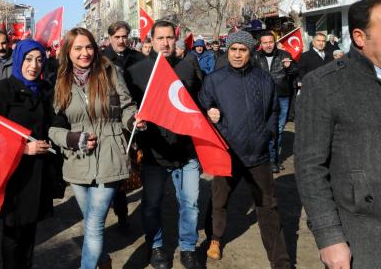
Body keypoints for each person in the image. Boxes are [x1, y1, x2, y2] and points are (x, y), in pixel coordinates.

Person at [295, 0, 381, 269]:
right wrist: (329, 237)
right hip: (361, 234)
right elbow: (310, 166)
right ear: (359, 36)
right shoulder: (323, 84)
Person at [198, 31, 290, 269]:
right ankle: (215, 238)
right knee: (219, 199)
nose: (237, 54)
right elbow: (202, 105)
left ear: (251, 52)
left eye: (243, 50)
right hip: (227, 152)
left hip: (258, 154)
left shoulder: (263, 78)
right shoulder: (214, 80)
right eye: (233, 49)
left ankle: (280, 260)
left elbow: (273, 111)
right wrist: (209, 114)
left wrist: (268, 135)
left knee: (268, 206)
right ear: (227, 51)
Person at [48, 27, 138, 269]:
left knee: (95, 223)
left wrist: (134, 120)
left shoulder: (111, 73)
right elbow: (54, 126)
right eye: (77, 48)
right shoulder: (60, 81)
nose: (84, 53)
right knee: (90, 220)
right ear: (68, 52)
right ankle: (104, 260)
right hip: (77, 159)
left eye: (88, 46)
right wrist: (72, 138)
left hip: (110, 154)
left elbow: (128, 106)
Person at [125, 20, 203, 269]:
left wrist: (210, 111)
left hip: (186, 151)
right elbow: (128, 108)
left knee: (190, 204)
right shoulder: (137, 72)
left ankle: (188, 249)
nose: (166, 43)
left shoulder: (189, 66)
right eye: (161, 38)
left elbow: (201, 99)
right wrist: (135, 121)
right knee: (151, 205)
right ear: (151, 40)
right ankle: (156, 246)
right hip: (153, 153)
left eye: (170, 38)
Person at [0, 39, 57, 269]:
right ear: (19, 60)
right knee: (13, 233)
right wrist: (24, 148)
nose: (33, 66)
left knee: (30, 230)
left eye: (38, 60)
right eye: (28, 59)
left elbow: (55, 122)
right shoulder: (4, 89)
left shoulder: (46, 90)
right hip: (13, 174)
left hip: (38, 174)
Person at [101, 21, 145, 229]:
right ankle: (122, 213)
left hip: (137, 119)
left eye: (124, 36)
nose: (121, 40)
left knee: (137, 165)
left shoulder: (138, 58)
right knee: (118, 169)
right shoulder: (101, 61)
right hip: (113, 121)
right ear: (110, 38)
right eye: (117, 37)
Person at [255, 32, 298, 173]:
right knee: (263, 129)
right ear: (260, 44)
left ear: (275, 42)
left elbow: (295, 71)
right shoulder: (255, 57)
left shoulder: (284, 55)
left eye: (270, 42)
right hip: (262, 98)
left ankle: (274, 160)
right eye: (265, 42)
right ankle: (265, 159)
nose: (268, 45)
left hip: (281, 97)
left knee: (278, 130)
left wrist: (289, 67)